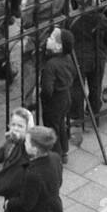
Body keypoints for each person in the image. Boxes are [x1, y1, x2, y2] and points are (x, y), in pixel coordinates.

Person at [36, 26, 74, 160]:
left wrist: (43, 97)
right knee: (61, 124)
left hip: (54, 101)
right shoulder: (67, 58)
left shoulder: (51, 65)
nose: (48, 39)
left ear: (59, 47)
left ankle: (56, 155)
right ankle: (64, 150)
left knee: (52, 128)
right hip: (65, 97)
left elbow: (47, 89)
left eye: (52, 38)